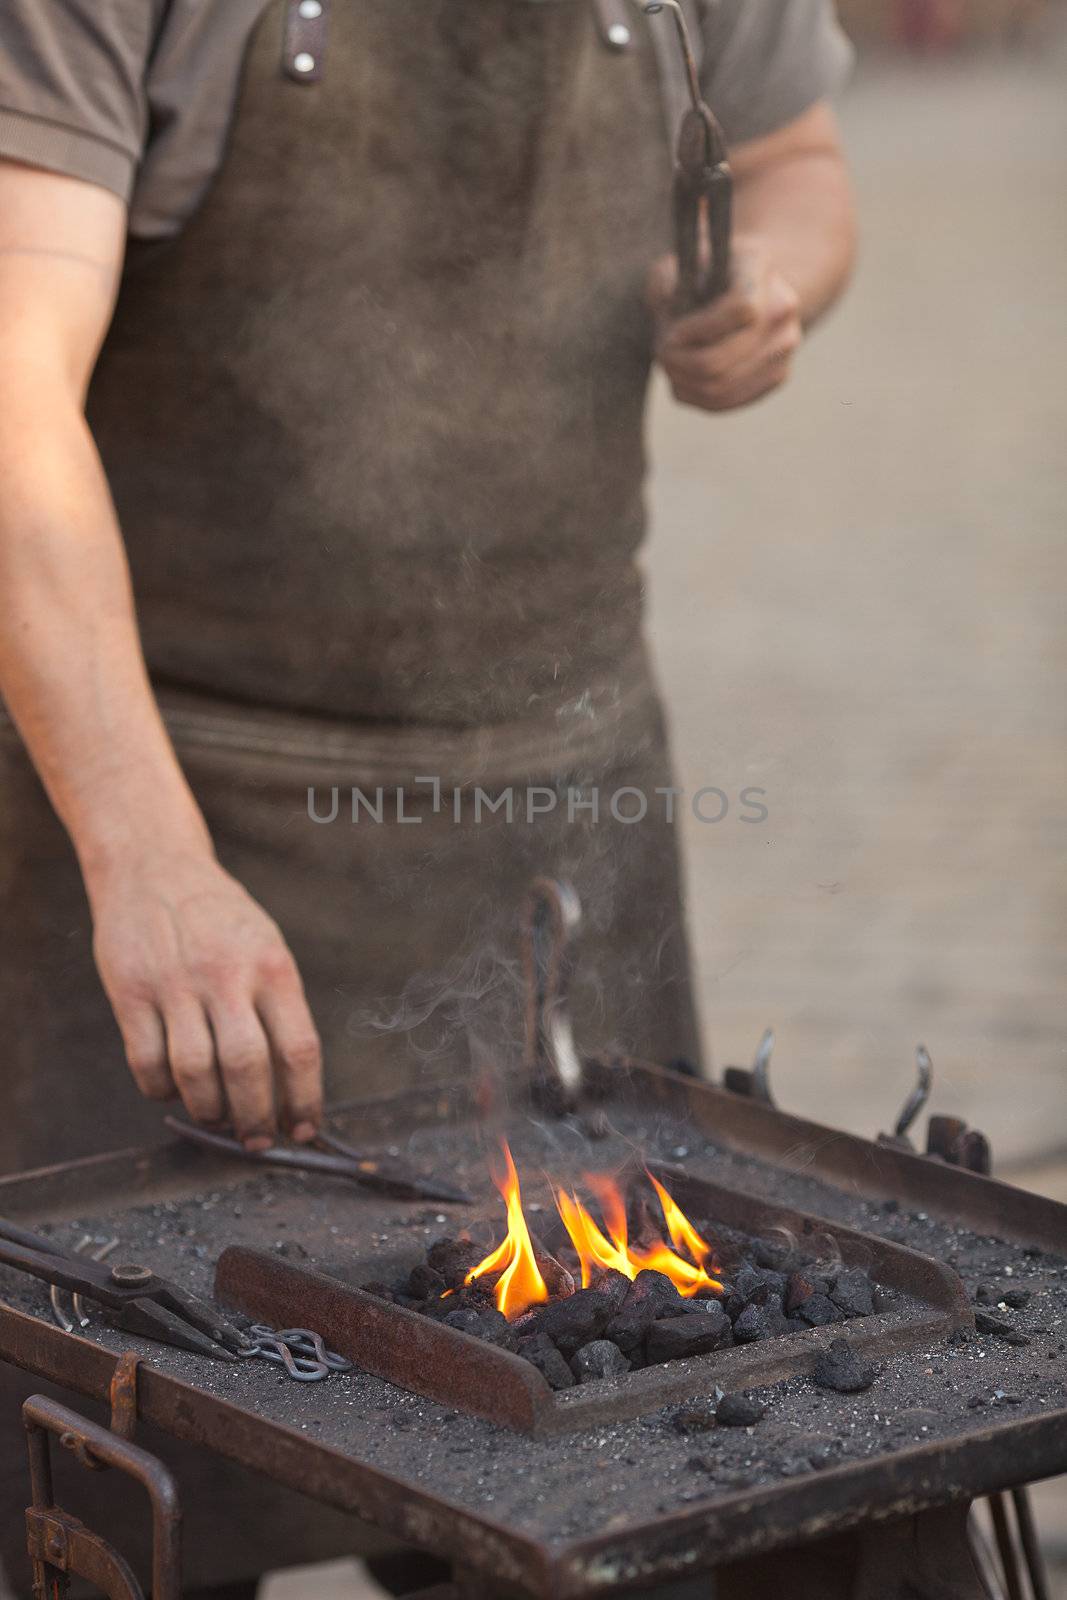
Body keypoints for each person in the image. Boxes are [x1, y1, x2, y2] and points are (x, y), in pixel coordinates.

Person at [0, 0, 855, 1590]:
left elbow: (799, 157)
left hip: (569, 827)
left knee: (604, 1460)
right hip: (195, 821)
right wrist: (148, 853)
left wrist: (771, 281)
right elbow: (8, 388)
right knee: (118, 1486)